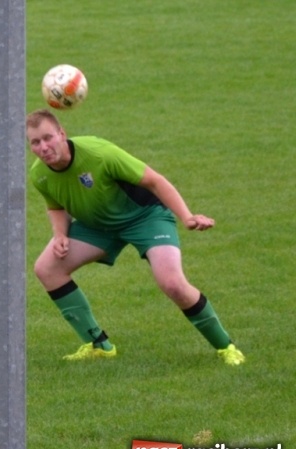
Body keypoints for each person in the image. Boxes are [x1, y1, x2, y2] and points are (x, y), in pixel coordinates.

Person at [25, 109, 245, 365]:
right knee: (46, 268)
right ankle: (99, 345)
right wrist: (60, 233)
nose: (43, 147)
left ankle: (226, 346)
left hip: (145, 218)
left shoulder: (100, 153)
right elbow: (55, 206)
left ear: (62, 134)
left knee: (172, 283)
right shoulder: (39, 173)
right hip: (97, 226)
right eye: (35, 142)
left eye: (48, 138)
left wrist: (187, 217)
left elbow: (155, 181)